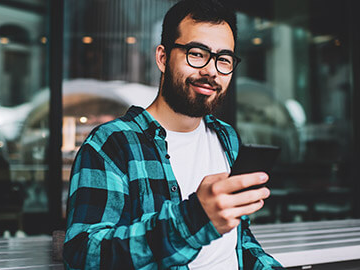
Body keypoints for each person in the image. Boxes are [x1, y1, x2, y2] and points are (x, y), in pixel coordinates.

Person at [64, 0, 283, 269]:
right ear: (163, 58)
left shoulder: (227, 138)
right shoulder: (112, 144)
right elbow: (83, 256)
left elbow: (239, 240)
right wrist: (190, 221)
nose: (211, 71)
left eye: (223, 59)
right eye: (197, 53)